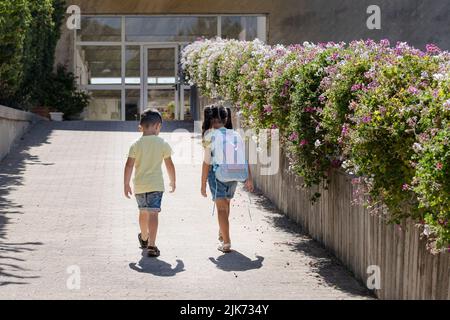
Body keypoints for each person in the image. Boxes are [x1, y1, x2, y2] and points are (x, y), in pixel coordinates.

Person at [201, 104, 254, 253]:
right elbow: (244, 159)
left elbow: (206, 162)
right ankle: (222, 233)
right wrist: (249, 178)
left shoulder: (209, 136)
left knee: (221, 209)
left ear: (210, 120)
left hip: (217, 175)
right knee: (226, 205)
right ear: (226, 119)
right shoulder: (235, 135)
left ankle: (226, 242)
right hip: (234, 174)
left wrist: (202, 183)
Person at [124, 109, 176, 257]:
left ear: (141, 126)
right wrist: (173, 180)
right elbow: (169, 165)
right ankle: (152, 245)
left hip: (139, 186)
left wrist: (126, 184)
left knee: (143, 212)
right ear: (157, 126)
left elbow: (128, 165)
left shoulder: (135, 144)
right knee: (153, 213)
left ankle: (144, 238)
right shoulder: (162, 143)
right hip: (156, 185)